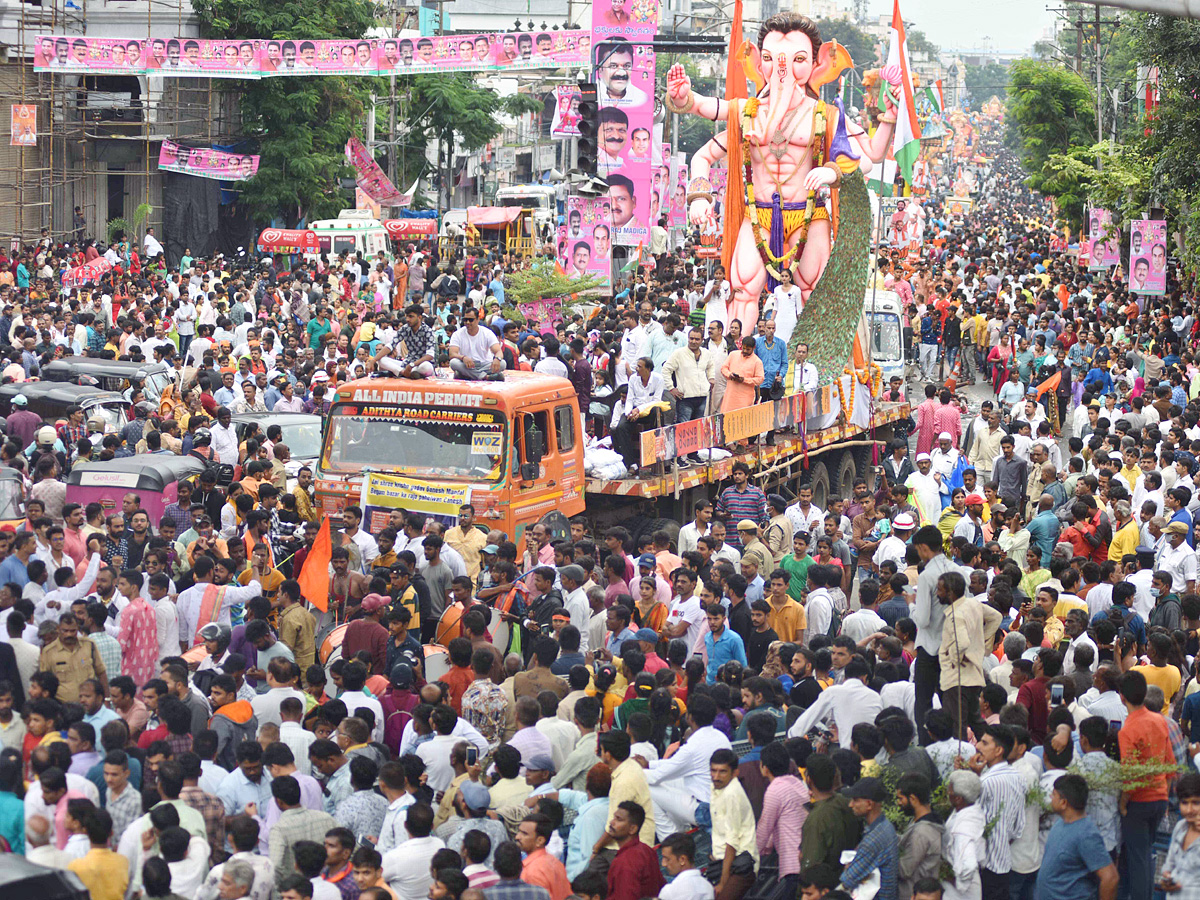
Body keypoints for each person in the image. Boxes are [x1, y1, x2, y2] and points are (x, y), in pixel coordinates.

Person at [1036, 774, 1118, 900]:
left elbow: (1110, 877)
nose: (1051, 798)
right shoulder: (1060, 822)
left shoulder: (1086, 835)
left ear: (1063, 803)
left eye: (1054, 795)